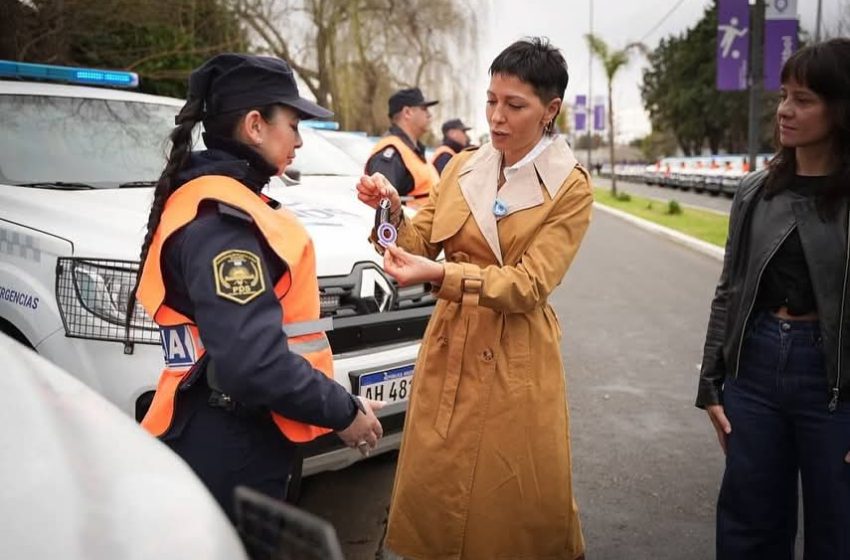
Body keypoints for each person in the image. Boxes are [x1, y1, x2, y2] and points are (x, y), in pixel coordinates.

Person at [357, 38, 592, 559]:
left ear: (550, 110)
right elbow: (417, 243)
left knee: (509, 500)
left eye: (515, 105)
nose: (497, 117)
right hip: (450, 343)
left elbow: (529, 285)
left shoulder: (569, 187)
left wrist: (442, 275)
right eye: (491, 101)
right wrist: (390, 211)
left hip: (517, 354)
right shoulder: (464, 166)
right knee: (438, 489)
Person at [125, 53, 384, 521]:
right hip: (230, 442)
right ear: (255, 126)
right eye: (294, 123)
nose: (300, 140)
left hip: (224, 424)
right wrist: (343, 411)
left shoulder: (225, 203)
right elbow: (253, 362)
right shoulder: (223, 222)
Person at [697, 38, 850, 559]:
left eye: (804, 99)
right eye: (783, 95)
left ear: (840, 106)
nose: (785, 109)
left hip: (834, 383)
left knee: (838, 527)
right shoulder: (756, 191)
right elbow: (730, 290)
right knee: (749, 526)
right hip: (755, 371)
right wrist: (710, 383)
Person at [364, 87, 440, 205]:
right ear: (407, 113)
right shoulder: (392, 152)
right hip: (411, 223)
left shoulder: (412, 150)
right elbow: (383, 207)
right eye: (424, 109)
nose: (429, 115)